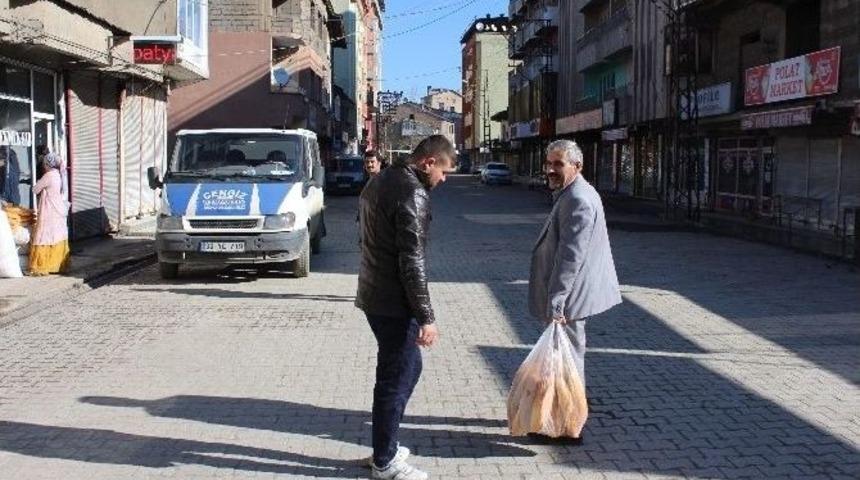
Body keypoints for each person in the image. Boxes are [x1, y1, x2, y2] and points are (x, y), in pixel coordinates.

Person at [355, 135, 456, 480]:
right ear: (428, 162)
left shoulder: (381, 179)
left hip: (374, 295)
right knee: (395, 379)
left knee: (408, 370)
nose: (444, 180)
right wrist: (427, 317)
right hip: (393, 303)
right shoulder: (413, 193)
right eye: (444, 171)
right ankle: (385, 462)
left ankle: (387, 445)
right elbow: (412, 261)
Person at [528, 139, 621, 440]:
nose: (551, 170)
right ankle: (561, 420)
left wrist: (557, 302)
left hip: (570, 299)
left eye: (559, 164)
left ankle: (568, 428)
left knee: (566, 362)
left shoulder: (578, 198)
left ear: (577, 166)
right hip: (572, 295)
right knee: (563, 360)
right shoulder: (570, 193)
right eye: (549, 163)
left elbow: (571, 257)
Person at [28, 152, 70, 276]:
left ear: (47, 164)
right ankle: (57, 265)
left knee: (44, 235)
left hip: (49, 210)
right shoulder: (58, 175)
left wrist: (36, 181)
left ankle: (43, 265)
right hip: (59, 210)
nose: (43, 166)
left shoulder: (48, 176)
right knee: (57, 235)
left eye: (44, 163)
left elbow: (35, 189)